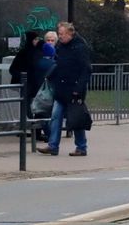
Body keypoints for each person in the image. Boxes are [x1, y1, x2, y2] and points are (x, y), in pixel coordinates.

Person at [38, 21, 92, 157]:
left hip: (74, 89)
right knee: (56, 116)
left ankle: (81, 146)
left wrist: (78, 88)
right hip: (61, 88)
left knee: (75, 118)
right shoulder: (61, 46)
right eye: (59, 34)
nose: (60, 36)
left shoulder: (80, 47)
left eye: (62, 34)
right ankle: (53, 145)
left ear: (70, 33)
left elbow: (86, 69)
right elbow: (58, 64)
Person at [9, 30, 44, 102]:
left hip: (36, 85)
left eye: (37, 39)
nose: (37, 41)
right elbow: (13, 69)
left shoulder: (38, 51)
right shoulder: (23, 53)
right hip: (26, 85)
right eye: (35, 39)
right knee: (27, 107)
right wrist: (22, 77)